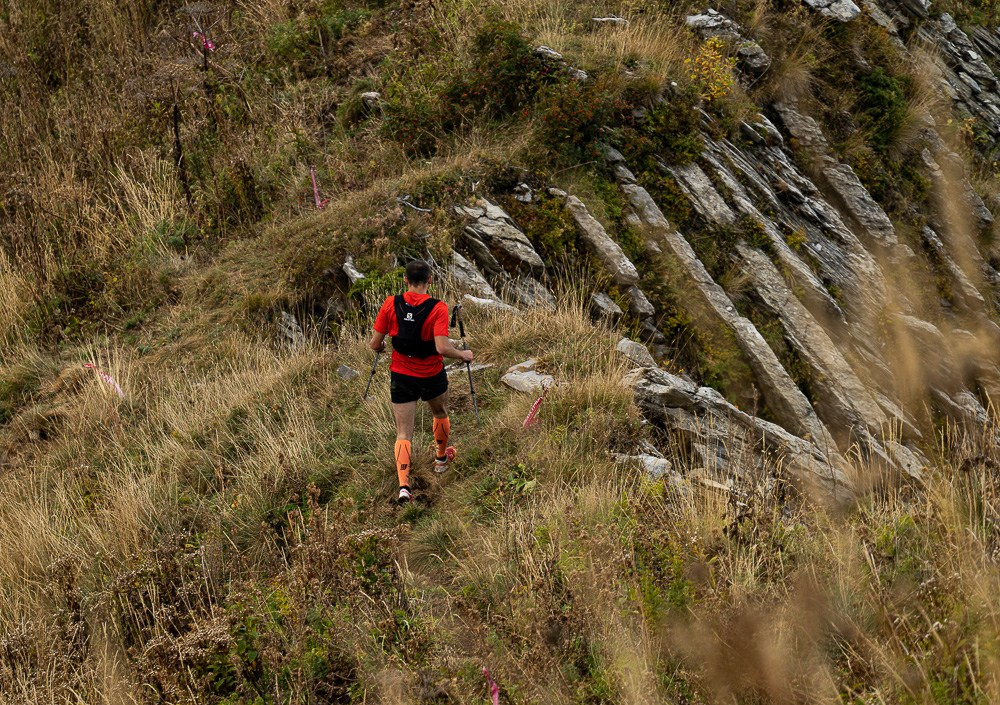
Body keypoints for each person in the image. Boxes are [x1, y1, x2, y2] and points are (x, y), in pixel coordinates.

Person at [369, 260, 474, 504]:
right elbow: (441, 347)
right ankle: (440, 459)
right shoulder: (438, 308)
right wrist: (462, 355)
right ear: (430, 280)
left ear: (405, 280)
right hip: (430, 373)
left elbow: (375, 344)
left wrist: (383, 346)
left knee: (404, 432)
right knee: (439, 412)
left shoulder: (390, 304)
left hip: (401, 375)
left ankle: (403, 486)